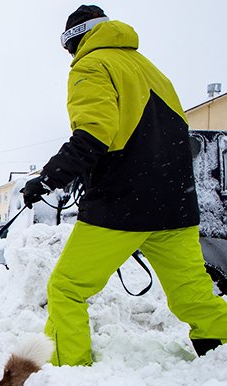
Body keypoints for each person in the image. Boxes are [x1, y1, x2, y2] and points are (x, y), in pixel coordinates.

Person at [22, 5, 227, 366]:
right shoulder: (152, 71)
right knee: (194, 297)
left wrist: (48, 179)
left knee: (67, 289)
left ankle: (70, 372)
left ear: (75, 41)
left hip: (122, 207)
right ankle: (221, 355)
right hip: (176, 207)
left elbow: (95, 133)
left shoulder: (92, 65)